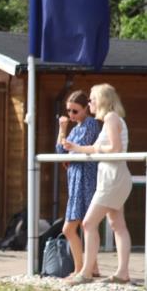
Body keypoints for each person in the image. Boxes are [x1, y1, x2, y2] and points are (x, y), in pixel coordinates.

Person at [63, 83, 133, 285]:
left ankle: (86, 272)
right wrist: (75, 147)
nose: (90, 103)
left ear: (101, 101)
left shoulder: (111, 118)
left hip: (112, 178)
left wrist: (94, 151)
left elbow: (115, 149)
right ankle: (122, 273)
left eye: (92, 99)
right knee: (117, 225)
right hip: (113, 177)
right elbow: (96, 147)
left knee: (88, 223)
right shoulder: (111, 119)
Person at [55, 90, 101, 278]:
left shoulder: (90, 125)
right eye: (69, 112)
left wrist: (69, 154)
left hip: (86, 179)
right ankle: (91, 268)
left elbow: (73, 151)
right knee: (83, 225)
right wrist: (62, 129)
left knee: (72, 227)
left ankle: (81, 268)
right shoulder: (75, 128)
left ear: (85, 109)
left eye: (75, 111)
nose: (71, 116)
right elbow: (61, 151)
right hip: (74, 179)